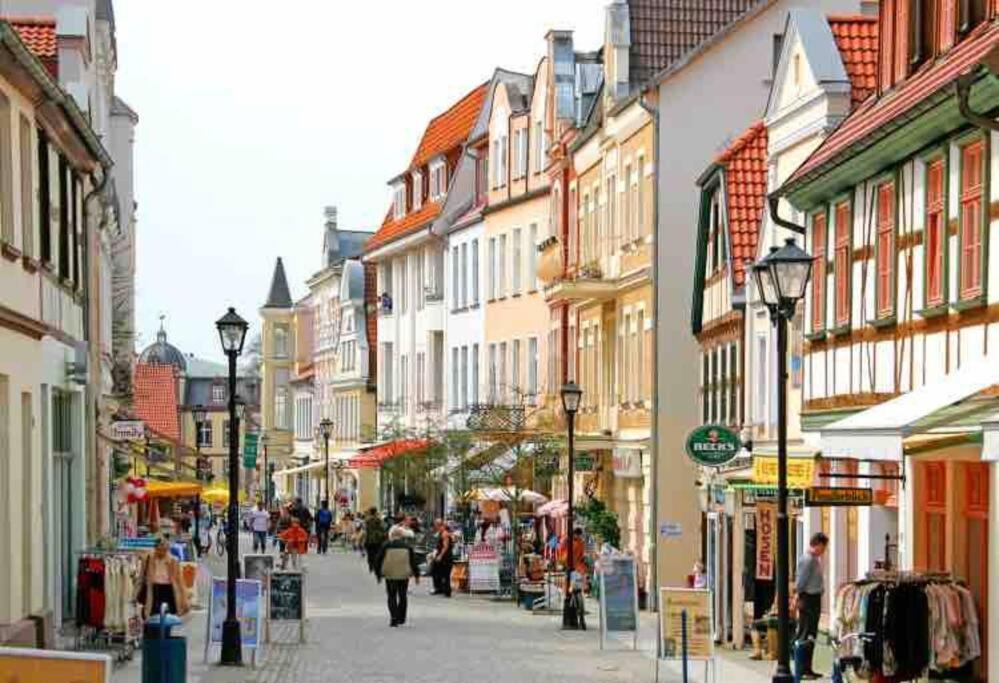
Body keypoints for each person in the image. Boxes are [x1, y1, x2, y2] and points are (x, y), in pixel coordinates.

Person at [795, 532, 828, 680]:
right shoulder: (808, 560)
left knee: (811, 634)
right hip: (808, 599)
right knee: (806, 633)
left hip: (813, 598)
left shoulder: (814, 560)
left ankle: (807, 668)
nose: (824, 550)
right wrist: (799, 597)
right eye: (823, 547)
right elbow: (801, 582)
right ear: (818, 544)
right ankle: (801, 668)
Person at [376, 526, 420, 627]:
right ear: (401, 536)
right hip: (404, 574)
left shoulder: (386, 545)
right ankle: (401, 617)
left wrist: (378, 574)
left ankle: (394, 617)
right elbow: (413, 561)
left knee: (391, 595)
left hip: (390, 574)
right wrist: (416, 575)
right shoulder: (407, 546)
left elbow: (378, 560)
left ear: (391, 535)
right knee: (402, 595)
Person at [137, 536, 189, 619]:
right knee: (151, 618)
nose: (161, 552)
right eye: (159, 550)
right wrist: (135, 595)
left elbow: (180, 582)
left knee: (167, 620)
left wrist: (185, 601)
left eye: (164, 550)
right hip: (153, 591)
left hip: (168, 591)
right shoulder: (147, 559)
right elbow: (140, 578)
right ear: (155, 549)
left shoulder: (173, 561)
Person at [431, 519, 453, 597]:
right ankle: (440, 588)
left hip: (445, 557)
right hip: (442, 556)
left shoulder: (444, 534)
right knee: (436, 571)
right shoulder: (441, 533)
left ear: (440, 525)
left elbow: (445, 546)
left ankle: (447, 591)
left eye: (436, 526)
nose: (435, 527)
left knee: (445, 574)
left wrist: (440, 556)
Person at [364, 508, 387, 575]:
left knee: (370, 554)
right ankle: (376, 566)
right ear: (375, 512)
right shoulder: (378, 520)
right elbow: (383, 528)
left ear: (370, 512)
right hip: (377, 539)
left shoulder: (367, 520)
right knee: (377, 553)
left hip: (369, 540)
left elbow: (366, 531)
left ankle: (371, 566)